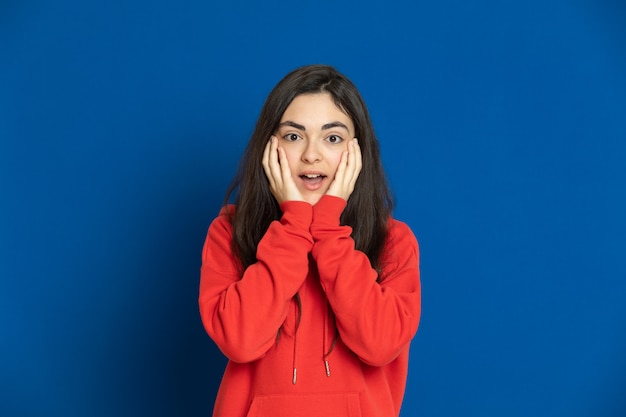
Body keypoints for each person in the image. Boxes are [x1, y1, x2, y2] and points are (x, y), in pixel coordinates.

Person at [199, 64, 421, 417]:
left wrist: (328, 228)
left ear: (357, 150)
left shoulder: (394, 240)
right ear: (269, 147)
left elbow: (380, 346)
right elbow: (239, 341)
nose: (311, 155)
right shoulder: (230, 230)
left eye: (332, 138)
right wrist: (294, 225)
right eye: (293, 136)